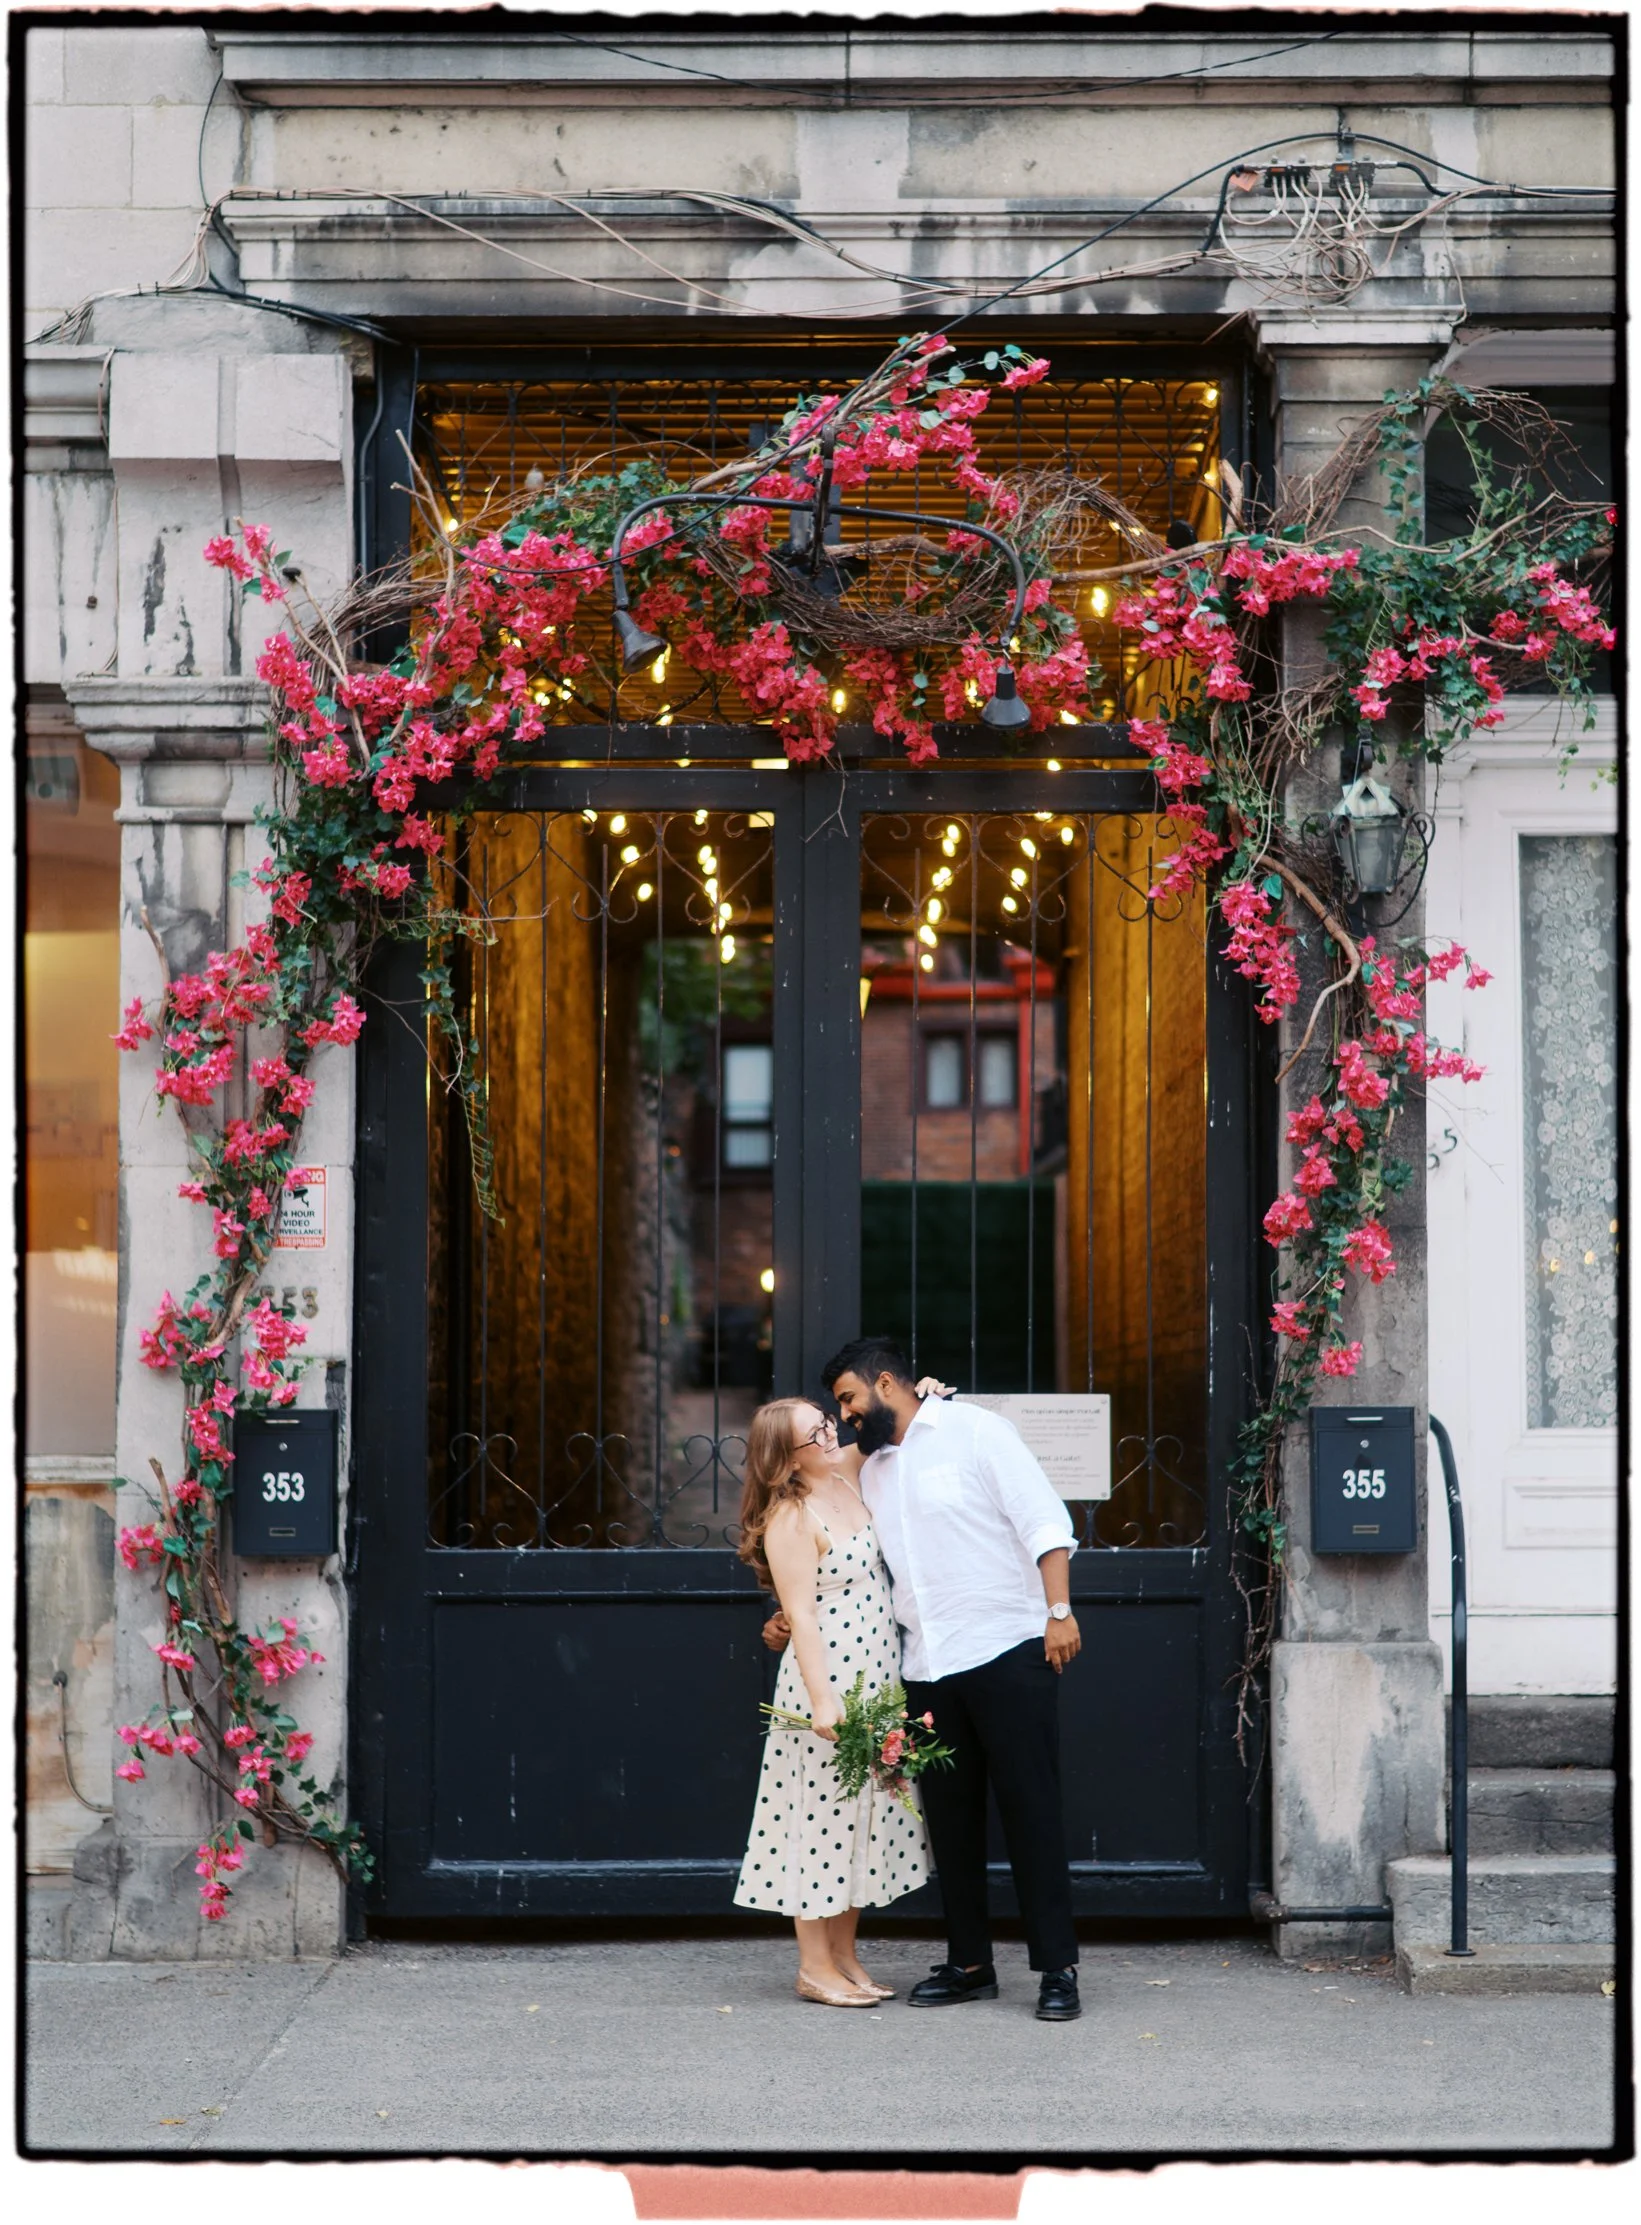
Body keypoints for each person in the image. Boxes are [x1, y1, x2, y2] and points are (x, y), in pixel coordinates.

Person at [769, 1336, 1083, 2022]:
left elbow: (1043, 1520)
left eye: (849, 1398)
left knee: (1031, 1811)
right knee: (951, 1821)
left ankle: (1057, 1968)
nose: (845, 1414)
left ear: (886, 1382)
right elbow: (826, 1542)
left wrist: (1057, 1610)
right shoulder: (870, 1464)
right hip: (925, 1669)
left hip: (1006, 1647)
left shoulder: (976, 1431)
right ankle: (970, 1962)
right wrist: (784, 1613)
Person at [732, 1388, 948, 2006]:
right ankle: (812, 1965)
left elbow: (884, 1428)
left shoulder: (849, 1475)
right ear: (784, 1460)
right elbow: (798, 1616)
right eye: (814, 1436)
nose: (830, 1437)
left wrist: (920, 1392)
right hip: (825, 1684)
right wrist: (824, 1702)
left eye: (827, 1424)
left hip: (878, 1679)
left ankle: (845, 1953)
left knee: (866, 1817)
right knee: (819, 1820)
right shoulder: (792, 1516)